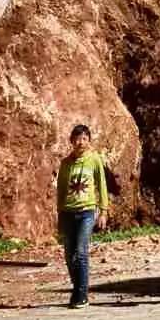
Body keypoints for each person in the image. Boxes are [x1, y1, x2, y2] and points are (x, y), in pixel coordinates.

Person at [55, 121, 110, 308]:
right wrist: (59, 213)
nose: (81, 142)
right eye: (77, 139)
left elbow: (102, 185)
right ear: (71, 141)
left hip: (87, 211)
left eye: (84, 139)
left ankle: (82, 294)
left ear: (89, 141)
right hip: (68, 212)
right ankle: (77, 288)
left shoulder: (94, 159)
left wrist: (103, 211)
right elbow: (61, 190)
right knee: (69, 254)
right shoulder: (66, 163)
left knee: (80, 252)